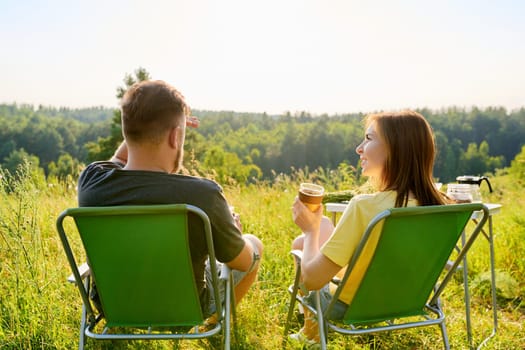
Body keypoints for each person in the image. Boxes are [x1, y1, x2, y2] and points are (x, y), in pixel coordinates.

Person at [77, 80, 263, 325]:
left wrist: (145, 121)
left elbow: (119, 158)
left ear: (126, 132)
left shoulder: (92, 182)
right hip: (187, 308)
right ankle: (215, 325)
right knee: (254, 246)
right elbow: (241, 262)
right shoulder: (203, 195)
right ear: (175, 137)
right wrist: (234, 236)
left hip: (112, 304)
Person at [289, 110, 448, 346]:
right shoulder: (440, 208)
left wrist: (310, 231)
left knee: (304, 243)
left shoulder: (365, 207)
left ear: (395, 149)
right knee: (322, 227)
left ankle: (310, 334)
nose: (359, 148)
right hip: (411, 299)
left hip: (351, 306)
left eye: (369, 138)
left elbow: (311, 281)